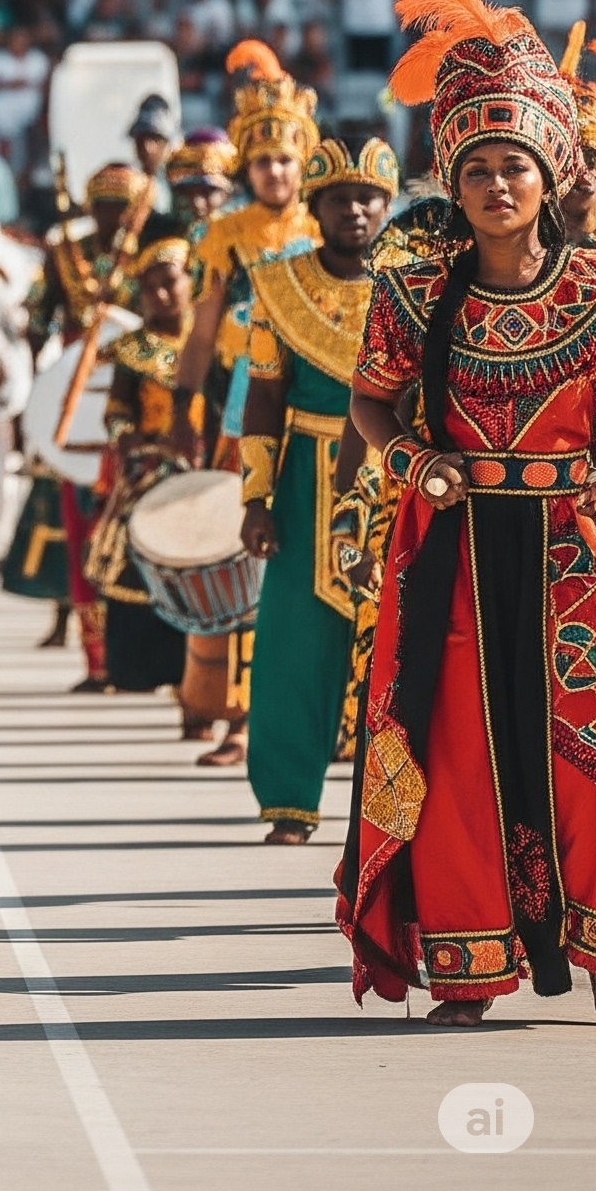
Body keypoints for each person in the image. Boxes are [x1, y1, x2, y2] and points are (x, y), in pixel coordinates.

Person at [344, 0, 596, 1022]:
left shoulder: (592, 285)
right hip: (451, 552)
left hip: (574, 553)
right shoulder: (413, 285)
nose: (497, 184)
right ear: (453, 179)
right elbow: (369, 400)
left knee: (583, 749)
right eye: (478, 168)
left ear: (547, 177)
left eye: (515, 167)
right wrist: (410, 458)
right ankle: (466, 962)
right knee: (453, 755)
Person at [239, 137, 396, 845]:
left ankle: (393, 816)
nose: (355, 210)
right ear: (316, 207)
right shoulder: (278, 283)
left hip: (400, 471)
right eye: (340, 198)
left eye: (368, 198)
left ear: (388, 206)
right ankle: (290, 801)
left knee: (398, 647)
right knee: (293, 645)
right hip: (306, 469)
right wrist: (255, 498)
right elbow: (264, 397)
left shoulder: (415, 280)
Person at [173, 42, 320, 762]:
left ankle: (333, 713)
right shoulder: (222, 236)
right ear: (247, 166)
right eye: (262, 160)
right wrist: (179, 412)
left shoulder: (326, 229)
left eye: (286, 159)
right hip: (240, 411)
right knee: (244, 559)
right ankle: (237, 715)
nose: (275, 170)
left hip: (319, 411)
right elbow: (200, 335)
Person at [1, 163, 149, 681]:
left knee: (132, 528)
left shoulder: (151, 258)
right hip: (73, 405)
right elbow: (40, 323)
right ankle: (96, 660)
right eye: (105, 206)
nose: (113, 217)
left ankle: (134, 655)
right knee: (79, 525)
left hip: (135, 401)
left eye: (123, 207)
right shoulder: (64, 253)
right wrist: (39, 400)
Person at [83, 236, 203, 701]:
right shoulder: (133, 349)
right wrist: (125, 437)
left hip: (202, 471)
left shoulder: (211, 338)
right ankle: (142, 668)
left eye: (169, 282)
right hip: (149, 470)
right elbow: (116, 410)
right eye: (149, 287)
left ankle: (196, 679)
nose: (160, 295)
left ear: (188, 282)